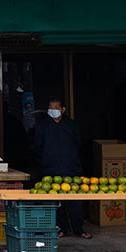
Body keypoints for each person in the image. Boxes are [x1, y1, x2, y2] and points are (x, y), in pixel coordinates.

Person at [34, 98, 91, 239]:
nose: (52, 110)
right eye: (50, 107)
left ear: (63, 109)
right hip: (51, 169)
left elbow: (78, 144)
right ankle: (62, 229)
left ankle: (79, 229)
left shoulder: (72, 125)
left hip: (71, 168)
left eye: (56, 107)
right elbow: (37, 147)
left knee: (75, 201)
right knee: (56, 201)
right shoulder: (43, 126)